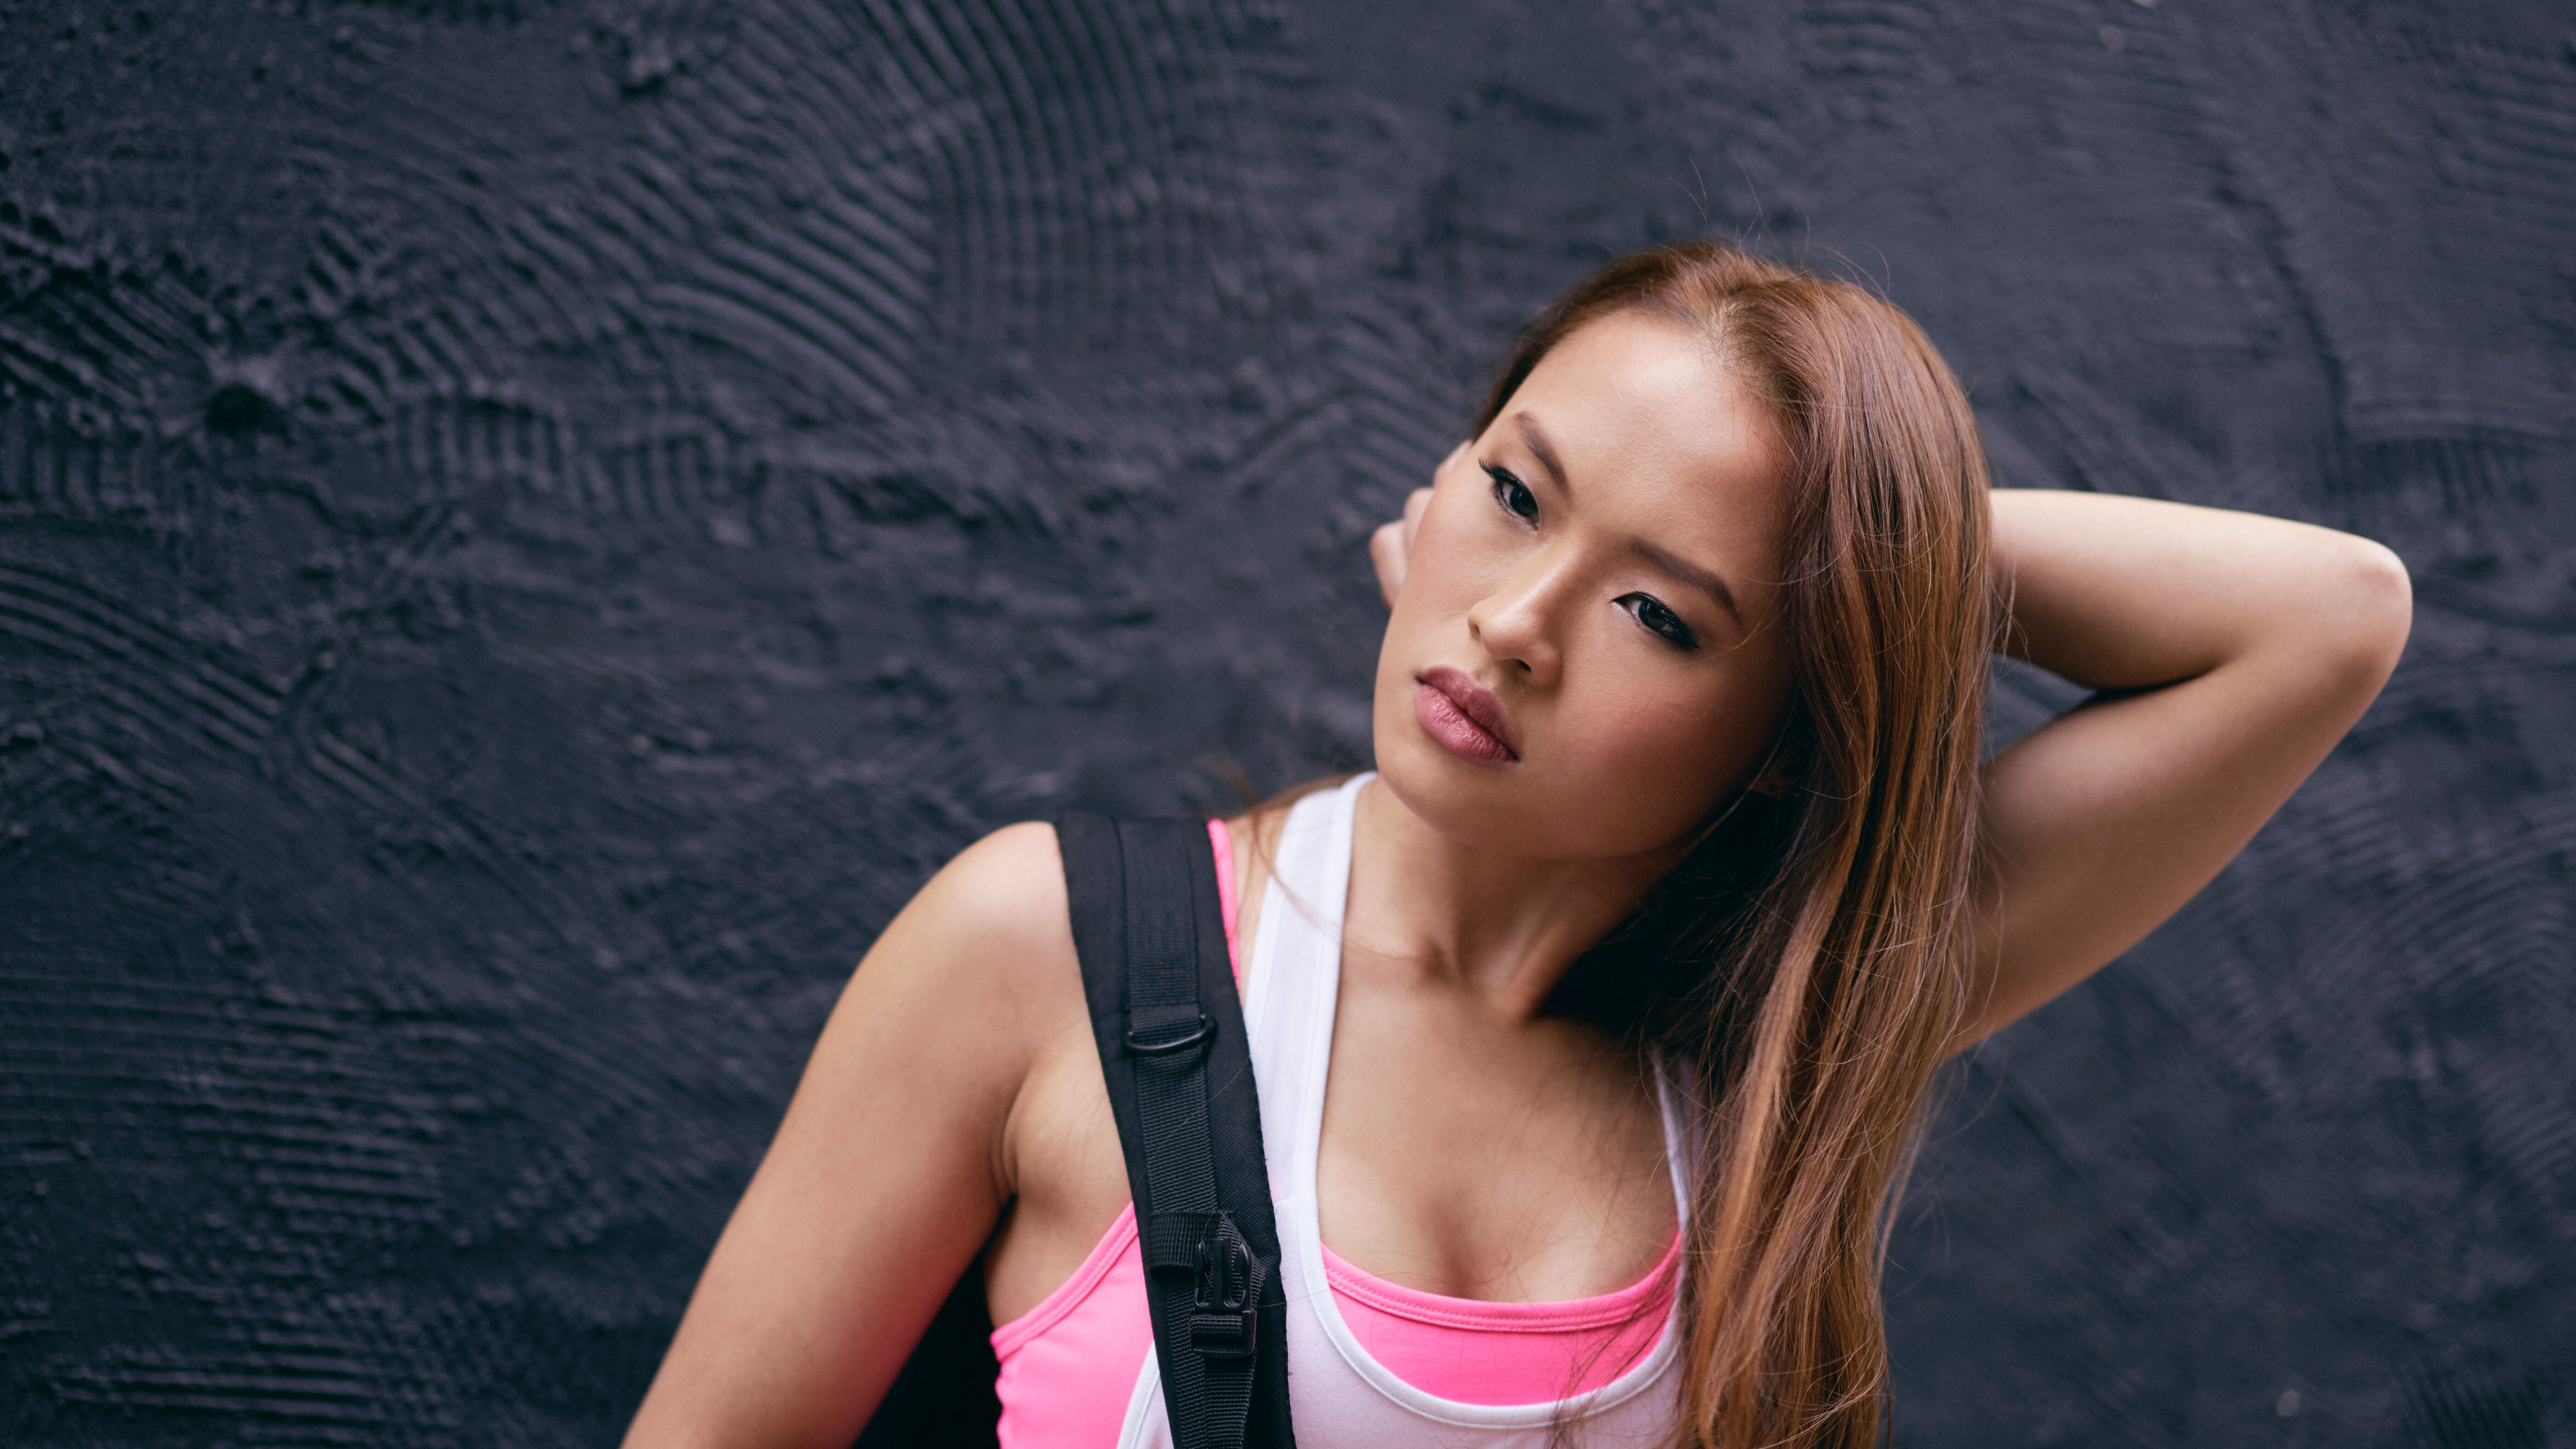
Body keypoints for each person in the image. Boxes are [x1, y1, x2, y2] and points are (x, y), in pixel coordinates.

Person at [619, 242, 2412, 1448]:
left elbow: (2332, 617)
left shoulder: (1777, 1042)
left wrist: (1867, 566)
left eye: (1660, 610)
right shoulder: (1050, 953)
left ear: (1789, 729)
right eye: (1514, 493)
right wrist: (1712, 553)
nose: (1516, 625)